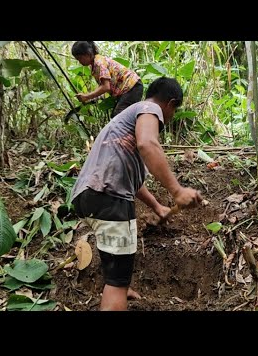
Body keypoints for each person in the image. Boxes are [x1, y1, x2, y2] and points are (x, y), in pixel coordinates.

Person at [71, 76, 202, 311]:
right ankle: (116, 293)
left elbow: (135, 182)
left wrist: (158, 207)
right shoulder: (149, 108)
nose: (169, 119)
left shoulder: (125, 126)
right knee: (116, 284)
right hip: (110, 197)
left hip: (90, 196)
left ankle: (118, 289)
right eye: (173, 112)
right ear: (171, 104)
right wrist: (177, 190)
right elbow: (148, 144)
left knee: (116, 269)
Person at [71, 41, 143, 118]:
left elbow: (105, 87)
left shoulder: (99, 63)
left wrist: (87, 96)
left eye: (79, 58)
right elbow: (104, 87)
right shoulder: (95, 64)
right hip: (128, 89)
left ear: (88, 54)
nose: (79, 62)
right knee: (118, 117)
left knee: (119, 117)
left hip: (131, 87)